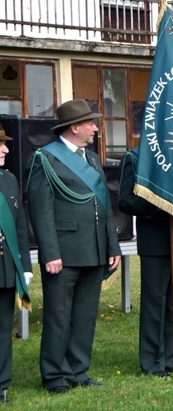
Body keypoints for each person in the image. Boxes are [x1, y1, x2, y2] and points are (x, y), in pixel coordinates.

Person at [25, 99, 121, 393]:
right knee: (58, 317)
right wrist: (50, 253)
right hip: (63, 253)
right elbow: (40, 211)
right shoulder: (45, 159)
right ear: (75, 127)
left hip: (93, 249)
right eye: (90, 123)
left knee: (84, 315)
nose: (95, 128)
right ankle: (55, 375)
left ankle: (78, 370)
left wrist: (112, 246)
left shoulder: (91, 159)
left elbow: (104, 207)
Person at [119, 148, 173, 377]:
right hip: (154, 240)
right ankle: (152, 362)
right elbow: (126, 200)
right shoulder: (136, 157)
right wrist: (161, 203)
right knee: (155, 303)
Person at [0, 125, 31, 404]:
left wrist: (26, 266)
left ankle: (1, 385)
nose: (6, 149)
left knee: (2, 327)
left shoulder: (8, 180)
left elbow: (20, 225)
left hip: (5, 268)